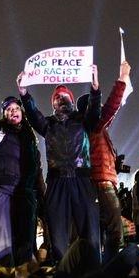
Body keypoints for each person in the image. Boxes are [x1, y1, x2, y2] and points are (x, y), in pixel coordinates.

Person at [18, 64, 101, 263]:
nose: (60, 99)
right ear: (52, 104)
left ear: (71, 101)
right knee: (57, 231)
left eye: (64, 96)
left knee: (90, 229)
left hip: (81, 180)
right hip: (57, 183)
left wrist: (95, 88)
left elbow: (95, 111)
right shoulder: (48, 124)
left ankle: (92, 270)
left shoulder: (83, 121)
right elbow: (32, 114)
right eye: (57, 97)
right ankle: (63, 270)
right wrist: (24, 93)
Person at [0, 57, 41, 265]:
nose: (13, 111)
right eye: (8, 110)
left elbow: (37, 169)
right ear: (4, 115)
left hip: (23, 193)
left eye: (16, 108)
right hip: (2, 190)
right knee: (2, 240)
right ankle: (0, 277)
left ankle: (24, 276)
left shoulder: (29, 137)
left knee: (24, 237)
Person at [76, 60, 131, 259]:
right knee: (115, 230)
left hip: (101, 182)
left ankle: (101, 267)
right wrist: (122, 79)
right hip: (101, 183)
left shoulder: (96, 131)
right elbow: (111, 107)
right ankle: (111, 268)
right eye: (96, 106)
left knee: (101, 230)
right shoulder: (93, 126)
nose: (101, 110)